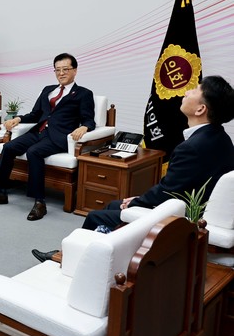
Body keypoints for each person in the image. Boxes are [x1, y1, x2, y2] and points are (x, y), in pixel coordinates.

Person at [32, 75, 234, 262]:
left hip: (180, 217)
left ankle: (71, 259)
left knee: (95, 216)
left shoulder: (191, 147)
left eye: (195, 90)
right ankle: (89, 253)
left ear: (200, 109)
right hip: (188, 207)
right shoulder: (221, 139)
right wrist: (138, 200)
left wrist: (136, 202)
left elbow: (168, 192)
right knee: (113, 205)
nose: (187, 91)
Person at [0, 53, 96, 221]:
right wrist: (18, 119)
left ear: (75, 71)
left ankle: (39, 202)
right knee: (8, 147)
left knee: (34, 152)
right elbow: (35, 114)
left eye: (65, 69)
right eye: (57, 70)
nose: (61, 73)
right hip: (38, 132)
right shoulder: (48, 90)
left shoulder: (84, 94)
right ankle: (0, 192)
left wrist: (85, 127)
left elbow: (89, 119)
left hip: (58, 137)